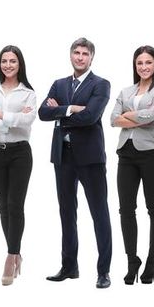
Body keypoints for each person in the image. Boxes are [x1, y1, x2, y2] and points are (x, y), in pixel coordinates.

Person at [39, 37, 113, 289]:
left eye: (85, 54)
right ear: (70, 55)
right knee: (66, 212)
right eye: (76, 53)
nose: (80, 57)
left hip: (90, 158)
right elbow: (42, 113)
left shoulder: (100, 84)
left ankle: (103, 271)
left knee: (99, 213)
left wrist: (59, 111)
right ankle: (69, 266)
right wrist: (71, 108)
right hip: (63, 156)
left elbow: (91, 116)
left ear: (92, 57)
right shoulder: (58, 84)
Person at [108, 46, 154, 285]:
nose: (143, 67)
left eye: (148, 62)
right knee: (126, 209)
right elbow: (113, 119)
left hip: (151, 154)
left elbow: (153, 116)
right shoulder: (126, 90)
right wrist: (139, 115)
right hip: (126, 153)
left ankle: (152, 259)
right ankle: (131, 259)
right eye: (139, 63)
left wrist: (129, 115)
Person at [0, 45, 37, 286]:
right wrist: (11, 118)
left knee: (15, 204)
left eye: (13, 61)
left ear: (19, 64)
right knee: (2, 206)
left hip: (20, 154)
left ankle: (11, 257)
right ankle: (16, 252)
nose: (8, 65)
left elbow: (28, 120)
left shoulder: (28, 93)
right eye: (4, 61)